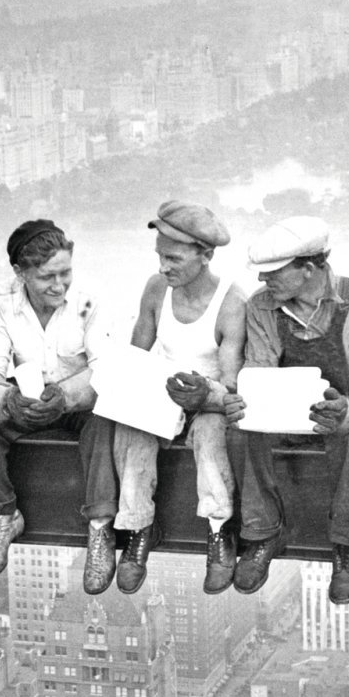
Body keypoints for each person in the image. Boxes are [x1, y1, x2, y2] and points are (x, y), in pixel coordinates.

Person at [223, 216, 349, 601]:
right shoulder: (261, 307)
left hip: (342, 410)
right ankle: (263, 532)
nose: (264, 281)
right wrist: (246, 398)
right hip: (286, 409)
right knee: (240, 428)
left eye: (274, 273)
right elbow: (260, 366)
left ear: (308, 268)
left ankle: (346, 547)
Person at [0, 221, 117, 589]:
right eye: (47, 276)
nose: (59, 285)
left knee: (106, 418)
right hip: (28, 397)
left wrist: (63, 398)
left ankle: (100, 528)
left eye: (66, 273)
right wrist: (9, 399)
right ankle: (4, 514)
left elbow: (104, 368)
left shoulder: (90, 298)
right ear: (20, 273)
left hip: (80, 399)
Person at [112, 200, 246, 595]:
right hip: (163, 390)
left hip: (208, 397)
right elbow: (139, 353)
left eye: (173, 258)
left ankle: (219, 531)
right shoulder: (157, 289)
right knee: (132, 428)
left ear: (205, 256)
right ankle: (137, 528)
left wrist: (206, 396)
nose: (163, 267)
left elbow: (231, 379)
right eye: (159, 257)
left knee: (209, 436)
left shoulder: (231, 302)